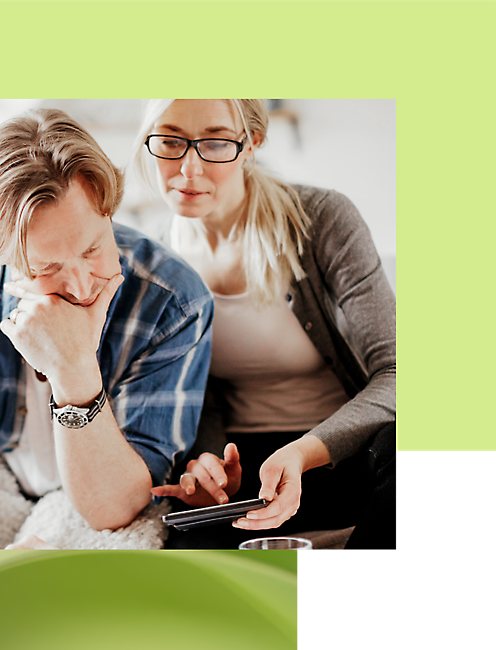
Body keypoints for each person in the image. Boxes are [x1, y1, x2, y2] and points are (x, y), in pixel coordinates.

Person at [0, 108, 213, 549]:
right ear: (1, 259)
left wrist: (74, 368)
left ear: (108, 212)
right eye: (47, 267)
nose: (81, 285)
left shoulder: (173, 303)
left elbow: (115, 507)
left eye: (93, 248)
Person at [136, 99, 396, 549]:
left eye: (216, 142)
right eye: (171, 141)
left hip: (340, 452)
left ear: (251, 143)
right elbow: (193, 399)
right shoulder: (154, 260)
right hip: (249, 478)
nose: (190, 167)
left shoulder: (323, 219)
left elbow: (398, 372)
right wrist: (208, 464)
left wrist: (303, 451)